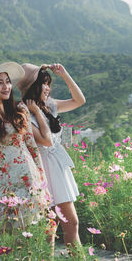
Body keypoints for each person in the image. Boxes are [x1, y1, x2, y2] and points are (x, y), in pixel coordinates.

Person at [0, 62, 50, 229]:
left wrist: (43, 181)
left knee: (33, 232)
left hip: (28, 178)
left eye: (8, 81)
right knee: (7, 237)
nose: (6, 86)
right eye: (0, 82)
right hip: (1, 183)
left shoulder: (19, 108)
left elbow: (31, 146)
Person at [17, 63, 86, 250]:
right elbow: (45, 142)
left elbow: (79, 100)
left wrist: (65, 74)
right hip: (42, 169)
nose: (48, 88)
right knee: (53, 226)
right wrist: (38, 113)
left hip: (56, 167)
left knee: (66, 224)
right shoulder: (21, 113)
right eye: (43, 84)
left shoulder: (48, 105)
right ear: (32, 87)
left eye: (49, 84)